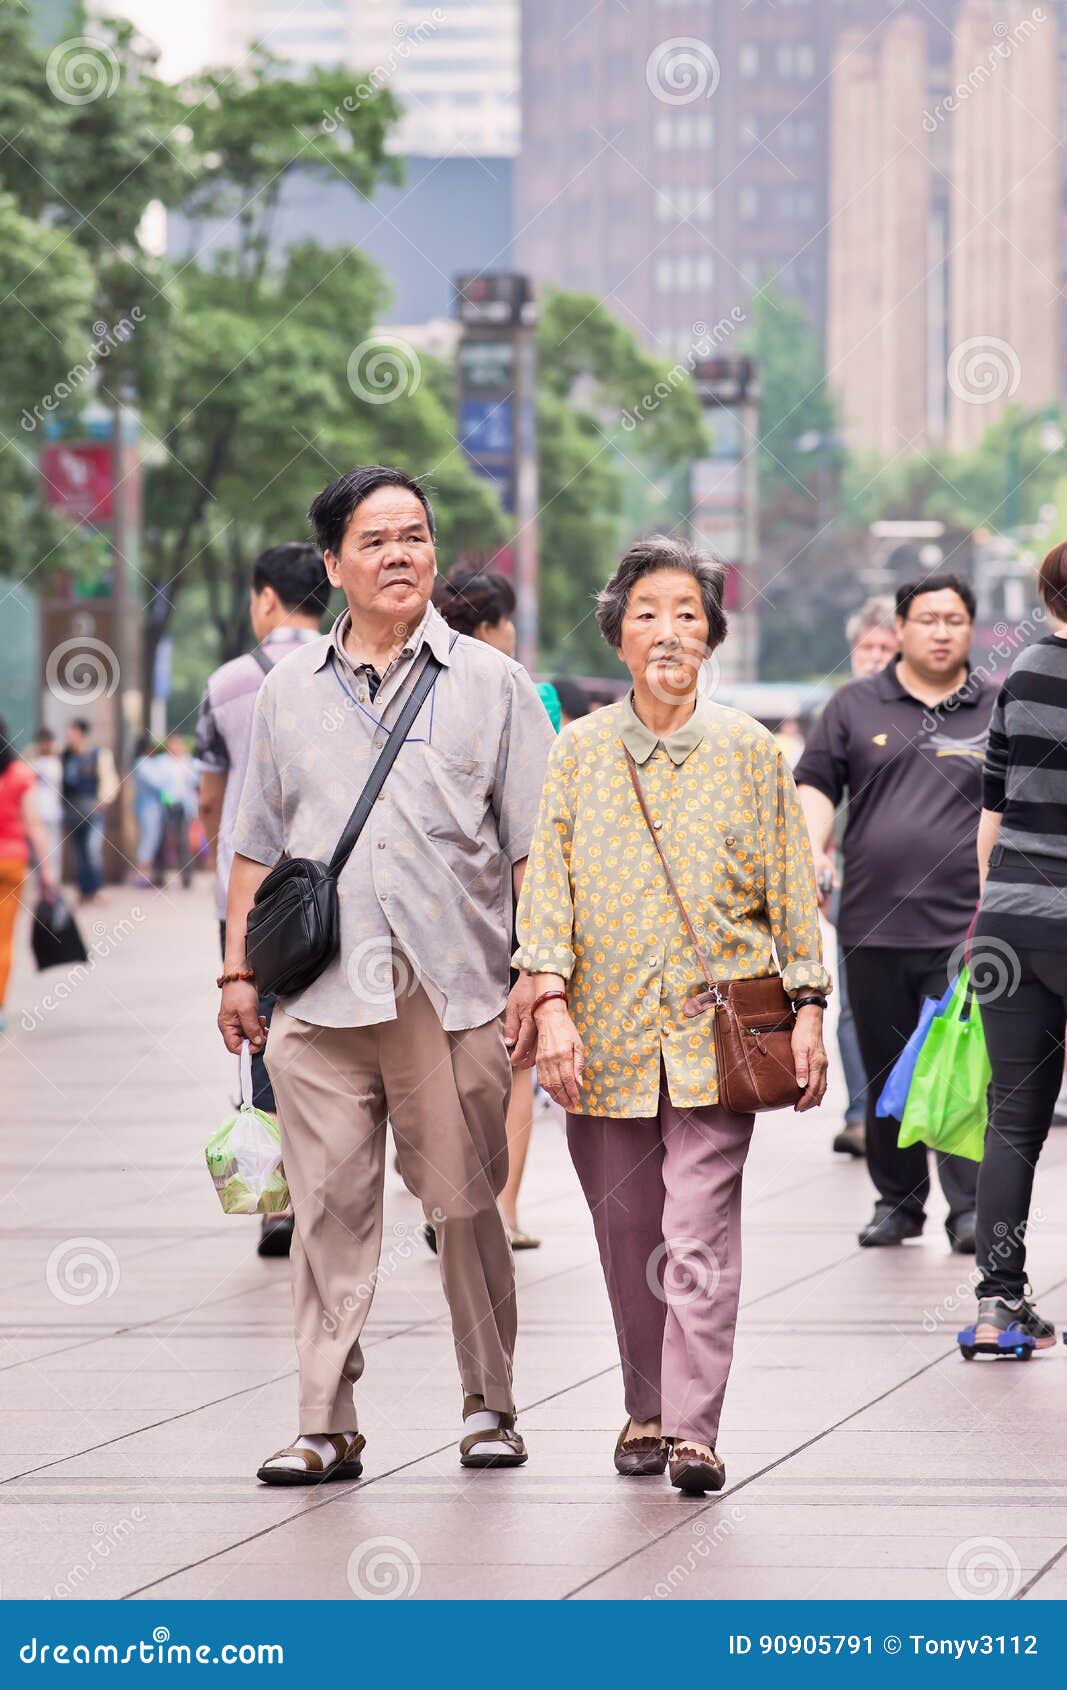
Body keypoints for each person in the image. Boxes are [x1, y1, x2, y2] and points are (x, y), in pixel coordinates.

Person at [218, 467, 554, 1484]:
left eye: (415, 536)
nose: (401, 554)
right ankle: (325, 1420)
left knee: (462, 1209)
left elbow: (533, 847)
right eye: (375, 540)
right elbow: (254, 846)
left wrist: (533, 979)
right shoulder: (286, 691)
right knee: (324, 1213)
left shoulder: (490, 686)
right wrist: (236, 976)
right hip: (318, 1002)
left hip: (447, 993)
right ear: (333, 565)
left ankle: (489, 1402)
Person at [515, 535, 830, 1494]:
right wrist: (551, 1004)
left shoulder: (747, 753)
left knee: (696, 1230)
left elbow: (791, 889)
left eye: (687, 613)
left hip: (717, 1040)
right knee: (627, 1241)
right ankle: (643, 1409)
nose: (667, 631)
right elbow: (547, 897)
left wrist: (810, 1007)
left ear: (711, 636)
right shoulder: (577, 752)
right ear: (617, 634)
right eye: (647, 612)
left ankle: (693, 1429)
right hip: (600, 1043)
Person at [795, 574, 995, 1253]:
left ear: (970, 629)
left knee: (960, 1066)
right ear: (901, 628)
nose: (940, 631)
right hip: (870, 924)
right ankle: (898, 1203)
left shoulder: (995, 708)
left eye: (954, 619)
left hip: (966, 930)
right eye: (927, 619)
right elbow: (815, 785)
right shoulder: (854, 705)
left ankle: (968, 1211)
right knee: (883, 1070)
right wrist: (811, 847)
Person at [195, 541, 331, 1259]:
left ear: (266, 598)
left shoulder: (225, 685)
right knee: (343, 1034)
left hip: (248, 900)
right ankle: (337, 1183)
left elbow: (212, 792)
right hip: (329, 897)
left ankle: (275, 1204)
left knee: (261, 1038)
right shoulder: (350, 672)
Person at [432, 567, 556, 1249]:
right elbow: (547, 813)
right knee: (514, 1063)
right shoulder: (528, 694)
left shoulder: (408, 691)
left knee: (432, 1058)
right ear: (490, 627)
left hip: (430, 912)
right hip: (509, 910)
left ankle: (445, 1197)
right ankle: (500, 1209)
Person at [968, 543, 1067, 1351]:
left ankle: (997, 1304)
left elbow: (991, 813)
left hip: (1008, 924)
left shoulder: (1019, 675)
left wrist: (990, 915)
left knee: (1012, 1120)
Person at [829, 596, 900, 1159]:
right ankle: (861, 1114)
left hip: (928, 888)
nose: (875, 658)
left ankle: (908, 1110)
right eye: (867, 648)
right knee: (853, 1004)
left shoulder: (922, 709)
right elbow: (818, 793)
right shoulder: (842, 711)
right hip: (855, 883)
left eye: (885, 648)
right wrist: (819, 855)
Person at [0, 719, 56, 1033]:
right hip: (11, 863)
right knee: (3, 939)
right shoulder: (21, 775)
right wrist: (47, 870)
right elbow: (34, 824)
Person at [61, 719, 117, 904]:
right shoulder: (65, 756)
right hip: (72, 810)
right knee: (79, 854)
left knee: (92, 851)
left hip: (92, 811)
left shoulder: (97, 755)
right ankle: (84, 891)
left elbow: (109, 780)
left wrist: (102, 802)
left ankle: (96, 889)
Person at [154, 732, 199, 889]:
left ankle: (186, 879)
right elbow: (156, 782)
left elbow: (196, 781)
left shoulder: (189, 762)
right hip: (165, 806)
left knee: (183, 843)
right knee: (162, 841)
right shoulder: (160, 762)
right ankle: (159, 876)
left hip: (183, 806)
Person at [29, 728, 63, 880]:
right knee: (37, 855)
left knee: (54, 853)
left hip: (52, 813)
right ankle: (41, 888)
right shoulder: (32, 762)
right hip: (36, 815)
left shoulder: (56, 763)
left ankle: (53, 886)